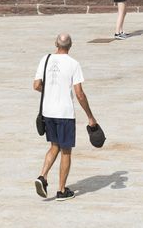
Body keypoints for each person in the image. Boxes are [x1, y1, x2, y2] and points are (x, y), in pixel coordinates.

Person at [33, 33, 97, 201]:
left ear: (56, 43)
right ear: (71, 46)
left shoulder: (45, 59)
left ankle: (42, 176)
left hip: (48, 112)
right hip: (64, 114)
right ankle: (61, 190)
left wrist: (50, 91)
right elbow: (79, 94)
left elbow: (36, 85)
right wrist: (90, 116)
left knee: (54, 146)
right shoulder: (74, 64)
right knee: (66, 151)